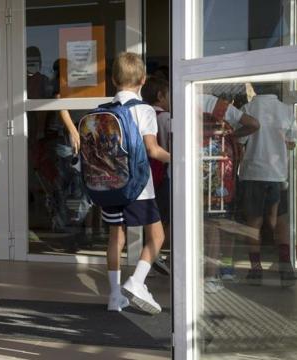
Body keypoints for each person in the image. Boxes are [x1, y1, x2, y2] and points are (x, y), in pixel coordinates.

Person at [104, 52, 170, 314]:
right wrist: (180, 159)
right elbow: (152, 150)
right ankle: (137, 281)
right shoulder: (144, 110)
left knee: (115, 237)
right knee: (157, 235)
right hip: (138, 187)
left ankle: (114, 295)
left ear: (113, 79)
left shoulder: (106, 110)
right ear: (143, 80)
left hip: (108, 185)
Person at [238, 82, 297, 286]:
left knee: (253, 223)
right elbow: (292, 143)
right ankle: (285, 267)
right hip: (278, 175)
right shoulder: (287, 110)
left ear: (254, 87)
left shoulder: (248, 109)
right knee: (281, 222)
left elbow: (239, 142)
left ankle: (255, 269)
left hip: (253, 173)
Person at [199, 94, 259, 293]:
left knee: (198, 225)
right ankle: (214, 274)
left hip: (192, 171)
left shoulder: (181, 98)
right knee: (218, 225)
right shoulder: (220, 106)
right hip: (220, 173)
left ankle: (195, 273)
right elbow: (253, 124)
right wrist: (233, 136)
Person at [141, 76, 171, 276]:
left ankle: (152, 252)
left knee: (153, 216)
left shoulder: (145, 114)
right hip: (164, 172)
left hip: (148, 173)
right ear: (160, 96)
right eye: (169, 94)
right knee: (165, 218)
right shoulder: (167, 118)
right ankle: (156, 253)